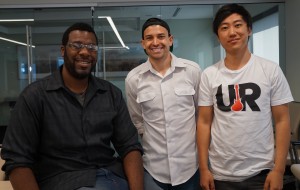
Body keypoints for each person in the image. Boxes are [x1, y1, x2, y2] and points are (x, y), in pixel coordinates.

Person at [1, 22, 144, 190]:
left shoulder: (111, 93)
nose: (84, 52)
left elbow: (130, 146)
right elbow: (17, 160)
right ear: (63, 50)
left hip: (113, 175)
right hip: (64, 181)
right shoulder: (34, 96)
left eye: (91, 47)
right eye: (76, 45)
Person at [197, 4, 294, 190]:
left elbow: (282, 120)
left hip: (262, 172)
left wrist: (279, 170)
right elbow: (203, 122)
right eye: (224, 28)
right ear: (218, 36)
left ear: (249, 29)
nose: (232, 32)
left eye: (237, 25)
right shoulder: (209, 74)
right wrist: (203, 168)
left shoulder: (270, 70)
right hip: (220, 174)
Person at [125, 17, 202, 190]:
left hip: (190, 168)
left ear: (170, 39)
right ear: (143, 43)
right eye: (149, 38)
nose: (155, 42)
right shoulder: (133, 79)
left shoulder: (192, 71)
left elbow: (201, 116)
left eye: (160, 36)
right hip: (153, 170)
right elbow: (137, 120)